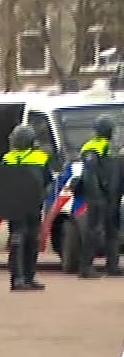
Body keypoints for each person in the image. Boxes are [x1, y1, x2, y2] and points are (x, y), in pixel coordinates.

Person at [1, 124, 53, 292]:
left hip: (31, 206)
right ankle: (18, 279)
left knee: (32, 241)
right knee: (19, 241)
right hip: (18, 207)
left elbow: (48, 181)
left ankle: (29, 278)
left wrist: (44, 194)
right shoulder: (8, 158)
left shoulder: (39, 157)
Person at [75, 115, 119, 279]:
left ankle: (112, 266)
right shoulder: (92, 147)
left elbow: (116, 172)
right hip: (98, 196)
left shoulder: (111, 146)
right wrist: (98, 195)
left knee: (112, 231)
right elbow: (90, 174)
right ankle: (86, 267)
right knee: (94, 231)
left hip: (112, 196)